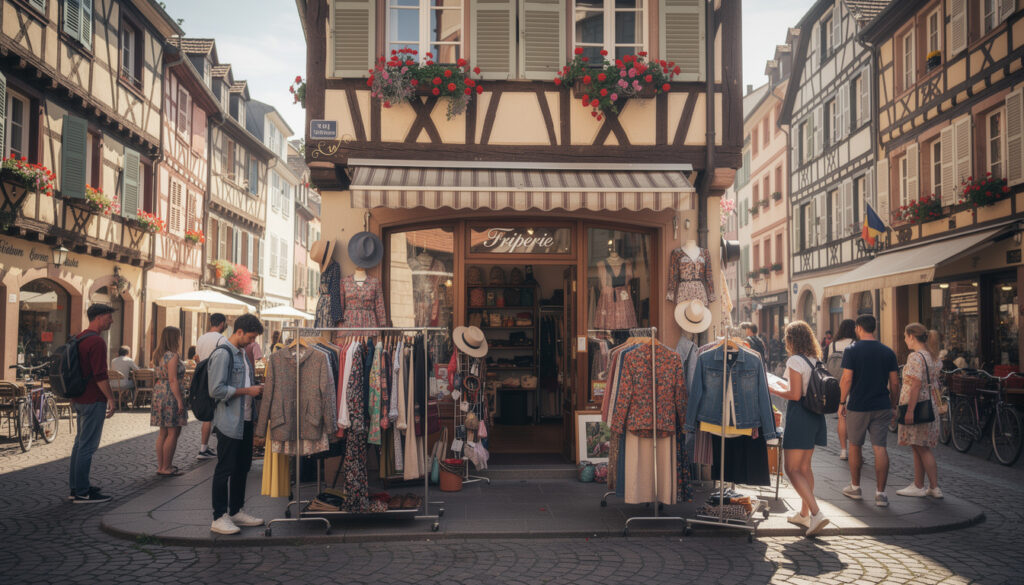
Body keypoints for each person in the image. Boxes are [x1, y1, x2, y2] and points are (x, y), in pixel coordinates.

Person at [768, 320, 830, 536]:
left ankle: (816, 513)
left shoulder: (795, 360)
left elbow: (794, 394)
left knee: (792, 469)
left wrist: (772, 389)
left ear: (791, 340)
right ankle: (804, 515)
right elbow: (801, 387)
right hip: (815, 417)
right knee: (805, 467)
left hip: (800, 415)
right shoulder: (815, 359)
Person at [208, 314, 265, 535]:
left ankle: (236, 510)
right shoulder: (224, 354)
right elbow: (216, 390)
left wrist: (256, 389)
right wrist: (247, 391)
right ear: (239, 331)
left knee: (242, 467)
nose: (252, 343)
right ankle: (218, 516)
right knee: (225, 469)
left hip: (245, 420)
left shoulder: (242, 353)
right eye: (250, 338)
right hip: (229, 422)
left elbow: (245, 384)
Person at [838, 315, 900, 507]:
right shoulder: (888, 352)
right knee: (880, 447)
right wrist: (894, 404)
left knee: (855, 445)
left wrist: (841, 402)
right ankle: (881, 494)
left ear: (858, 328)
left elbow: (847, 379)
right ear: (874, 328)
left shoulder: (852, 350)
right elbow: (895, 382)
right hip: (881, 405)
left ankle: (855, 487)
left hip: (858, 405)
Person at [69, 304, 117, 504]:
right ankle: (82, 492)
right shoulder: (96, 342)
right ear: (97, 317)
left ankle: (76, 487)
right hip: (93, 399)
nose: (111, 321)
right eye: (108, 317)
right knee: (87, 446)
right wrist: (111, 398)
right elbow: (100, 375)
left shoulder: (79, 338)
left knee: (80, 445)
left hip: (79, 398)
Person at [896, 323, 943, 499]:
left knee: (922, 448)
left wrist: (910, 410)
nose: (904, 340)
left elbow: (915, 384)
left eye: (905, 336)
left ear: (912, 336)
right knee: (918, 445)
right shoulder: (933, 357)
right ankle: (920, 484)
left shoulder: (916, 357)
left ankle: (933, 486)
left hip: (918, 405)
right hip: (929, 404)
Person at [151, 326, 188, 476]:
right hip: (170, 394)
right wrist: (179, 400)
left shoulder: (158, 354)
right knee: (173, 432)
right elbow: (173, 380)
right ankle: (166, 467)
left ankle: (162, 466)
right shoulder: (172, 356)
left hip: (159, 390)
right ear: (174, 338)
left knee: (163, 432)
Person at [195, 313, 229, 460]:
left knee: (208, 415)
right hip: (215, 377)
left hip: (202, 377)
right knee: (216, 414)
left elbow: (197, 358)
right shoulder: (222, 339)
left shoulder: (201, 338)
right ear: (221, 324)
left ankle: (204, 447)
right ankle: (205, 449)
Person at [825, 319, 857, 460]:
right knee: (854, 419)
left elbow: (827, 364)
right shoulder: (855, 344)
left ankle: (843, 451)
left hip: (836, 384)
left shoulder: (833, 344)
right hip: (853, 384)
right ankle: (855, 451)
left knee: (841, 418)